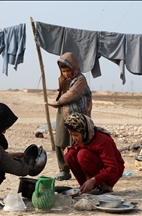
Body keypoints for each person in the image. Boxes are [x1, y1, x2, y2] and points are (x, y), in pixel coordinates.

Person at [47, 52, 92, 181]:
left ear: (74, 68)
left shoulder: (80, 79)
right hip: (63, 112)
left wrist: (58, 102)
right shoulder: (65, 80)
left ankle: (79, 169)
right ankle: (64, 170)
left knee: (76, 142)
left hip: (78, 115)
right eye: (63, 71)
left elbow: (72, 94)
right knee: (60, 140)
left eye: (68, 70)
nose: (66, 73)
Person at [63, 113, 125, 195]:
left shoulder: (103, 140)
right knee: (69, 154)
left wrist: (94, 180)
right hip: (96, 170)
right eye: (72, 135)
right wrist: (70, 149)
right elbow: (77, 149)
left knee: (82, 154)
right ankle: (86, 186)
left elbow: (113, 168)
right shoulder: (84, 138)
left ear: (84, 132)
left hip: (112, 173)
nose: (73, 138)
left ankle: (104, 186)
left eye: (76, 135)